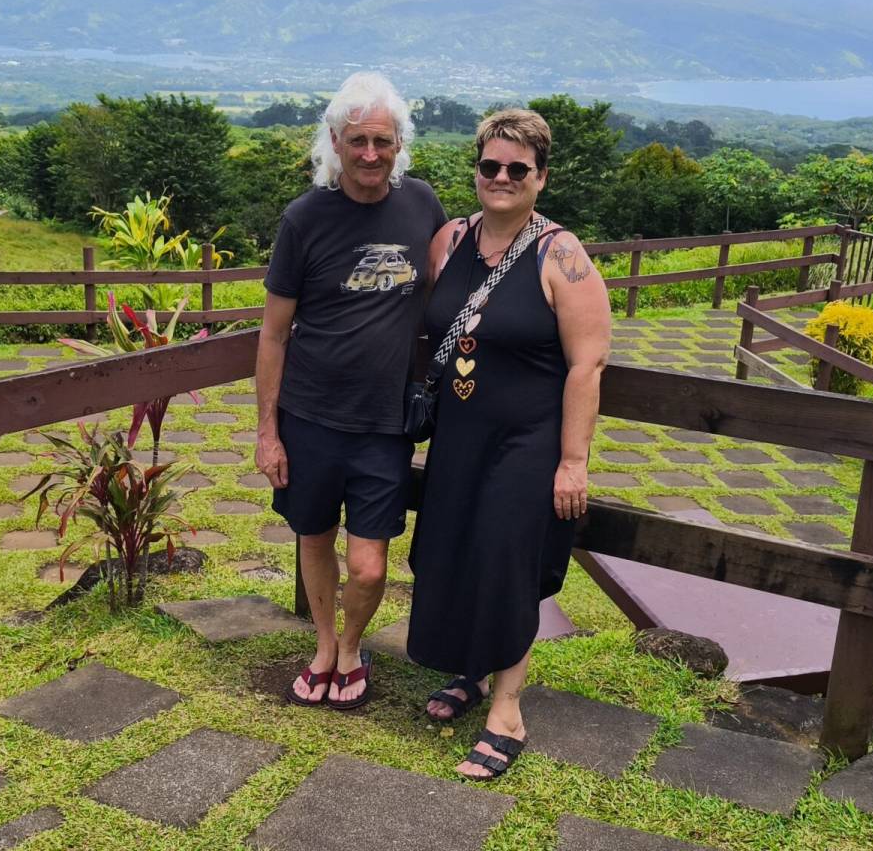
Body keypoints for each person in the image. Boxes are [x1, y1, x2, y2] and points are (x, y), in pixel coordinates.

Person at [406, 109, 611, 779]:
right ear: (477, 169)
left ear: (540, 177)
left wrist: (573, 461)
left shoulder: (562, 256)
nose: (501, 178)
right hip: (461, 433)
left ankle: (508, 708)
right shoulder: (450, 240)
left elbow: (588, 364)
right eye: (490, 166)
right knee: (453, 551)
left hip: (528, 441)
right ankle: (468, 670)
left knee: (505, 563)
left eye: (516, 169)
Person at [255, 72, 448, 710]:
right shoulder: (304, 218)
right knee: (313, 536)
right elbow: (274, 334)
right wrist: (267, 431)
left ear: (400, 145)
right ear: (335, 143)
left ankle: (352, 645)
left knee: (368, 562)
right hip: (309, 414)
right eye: (358, 140)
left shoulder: (422, 205)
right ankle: (323, 646)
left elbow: (456, 286)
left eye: (383, 141)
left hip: (384, 422)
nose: (371, 153)